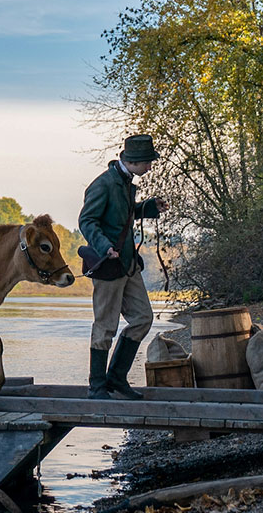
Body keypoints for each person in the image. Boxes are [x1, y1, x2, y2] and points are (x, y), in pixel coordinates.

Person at [78, 134, 168, 400]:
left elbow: (123, 214)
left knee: (143, 319)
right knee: (105, 326)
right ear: (134, 162)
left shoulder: (125, 182)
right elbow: (87, 221)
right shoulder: (103, 184)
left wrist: (149, 207)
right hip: (108, 265)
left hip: (128, 265)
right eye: (148, 162)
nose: (150, 167)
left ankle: (116, 379)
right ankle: (97, 386)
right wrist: (104, 246)